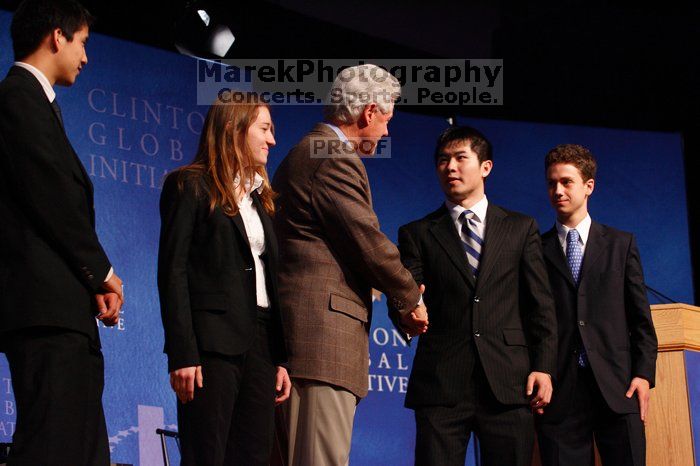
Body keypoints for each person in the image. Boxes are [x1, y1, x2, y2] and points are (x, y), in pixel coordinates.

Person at [272, 64, 428, 466]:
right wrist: (409, 296)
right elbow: (368, 242)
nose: (387, 133)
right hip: (320, 342)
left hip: (309, 344)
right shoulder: (332, 156)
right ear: (369, 112)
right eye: (387, 120)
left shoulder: (314, 149)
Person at [0, 0, 124, 464]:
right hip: (44, 313)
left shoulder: (36, 105)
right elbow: (49, 196)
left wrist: (87, 283)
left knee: (83, 450)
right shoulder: (16, 98)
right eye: (83, 43)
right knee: (53, 447)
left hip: (64, 312)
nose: (86, 56)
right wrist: (101, 272)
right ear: (57, 36)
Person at [397, 126, 557, 466]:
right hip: (441, 382)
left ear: (485, 167)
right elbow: (408, 294)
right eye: (442, 160)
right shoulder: (417, 233)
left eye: (460, 158)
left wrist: (544, 367)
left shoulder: (520, 227)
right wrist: (407, 313)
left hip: (509, 382)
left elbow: (539, 304)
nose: (450, 167)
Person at [158, 92, 291, 466]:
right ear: (233, 128)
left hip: (260, 345)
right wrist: (183, 354)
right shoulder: (189, 185)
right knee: (207, 455)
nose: (272, 140)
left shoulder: (260, 200)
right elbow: (173, 272)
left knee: (253, 455)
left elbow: (267, 281)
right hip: (211, 348)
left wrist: (279, 359)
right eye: (264, 129)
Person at [536, 144, 657, 466]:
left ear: (589, 186)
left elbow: (640, 319)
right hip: (560, 393)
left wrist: (644, 375)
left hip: (619, 390)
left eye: (566, 182)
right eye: (551, 183)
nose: (557, 190)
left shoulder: (621, 244)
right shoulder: (534, 248)